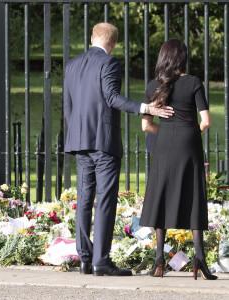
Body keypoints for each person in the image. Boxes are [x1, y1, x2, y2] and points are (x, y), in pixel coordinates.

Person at [64, 22, 174, 276]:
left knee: (84, 199)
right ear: (113, 44)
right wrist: (146, 108)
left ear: (91, 37)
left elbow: (68, 106)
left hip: (79, 142)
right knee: (104, 200)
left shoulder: (72, 64)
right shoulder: (109, 63)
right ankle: (101, 261)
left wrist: (76, 134)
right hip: (103, 142)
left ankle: (85, 258)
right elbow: (111, 97)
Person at [139, 39, 217, 280]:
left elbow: (146, 125)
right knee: (194, 195)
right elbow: (205, 121)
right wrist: (189, 133)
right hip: (189, 145)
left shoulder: (154, 85)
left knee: (161, 194)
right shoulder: (193, 82)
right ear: (182, 58)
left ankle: (159, 263)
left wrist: (168, 133)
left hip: (163, 146)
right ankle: (200, 260)